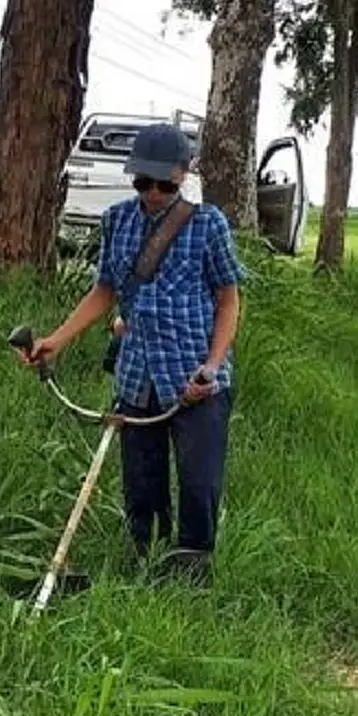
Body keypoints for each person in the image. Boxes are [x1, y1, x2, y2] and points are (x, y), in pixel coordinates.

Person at [23, 123, 243, 581]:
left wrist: (213, 364)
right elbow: (105, 290)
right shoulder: (118, 220)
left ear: (184, 175)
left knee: (199, 484)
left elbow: (228, 299)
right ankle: (146, 565)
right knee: (142, 483)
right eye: (144, 182)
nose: (154, 193)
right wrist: (56, 340)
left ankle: (192, 577)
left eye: (165, 183)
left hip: (193, 377)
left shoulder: (208, 225)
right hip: (137, 375)